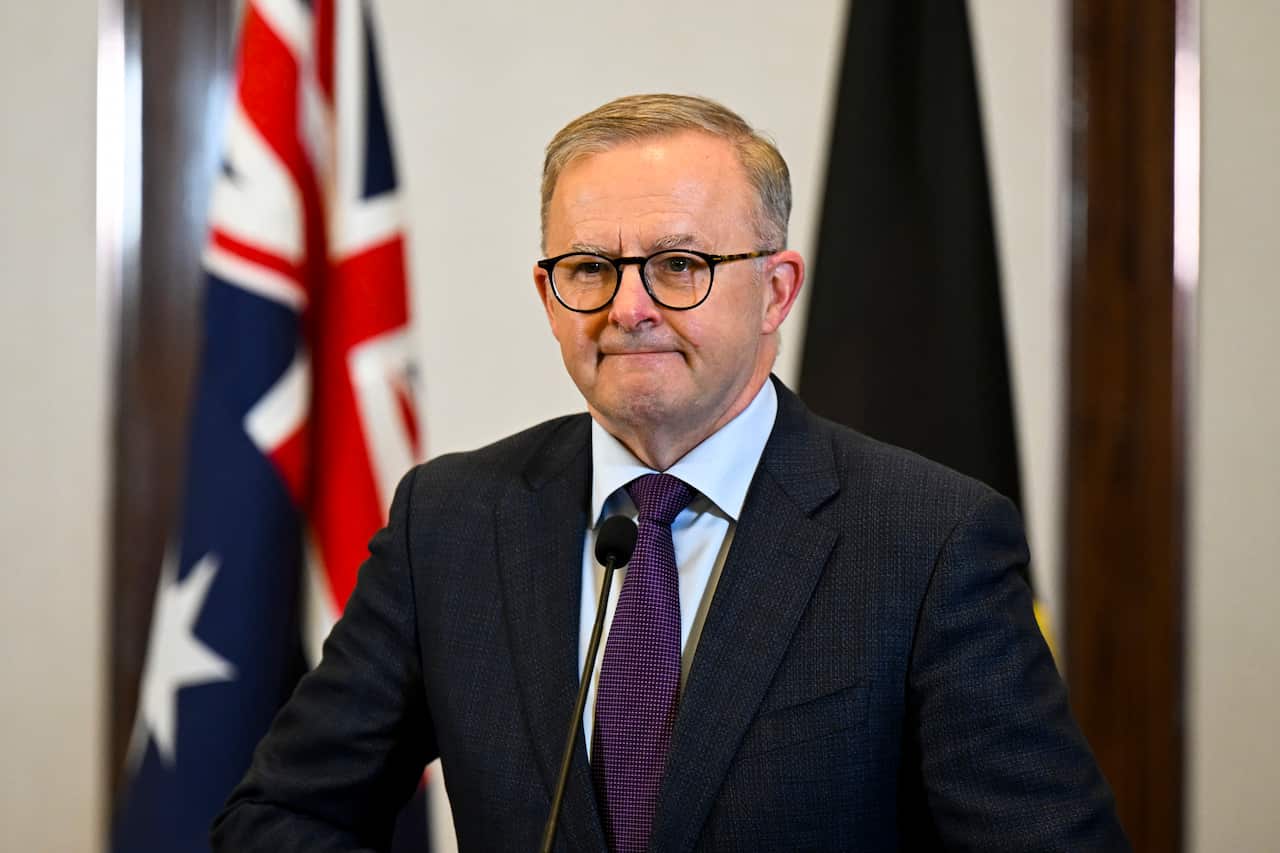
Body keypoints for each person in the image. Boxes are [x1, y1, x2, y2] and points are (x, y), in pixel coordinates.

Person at [212, 94, 1128, 851]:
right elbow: (279, 819)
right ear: (548, 293)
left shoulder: (929, 541)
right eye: (589, 267)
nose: (629, 308)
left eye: (680, 265)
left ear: (775, 291)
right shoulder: (450, 522)